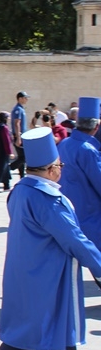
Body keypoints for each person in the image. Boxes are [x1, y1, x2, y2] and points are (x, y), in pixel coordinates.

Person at [0, 127, 101, 350]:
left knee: (60, 326)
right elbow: (73, 239)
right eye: (60, 166)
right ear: (51, 169)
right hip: (47, 275)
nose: (61, 170)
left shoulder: (21, 190)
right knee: (29, 333)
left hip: (29, 270)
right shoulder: (48, 198)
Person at [57, 97, 101, 275]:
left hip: (68, 207)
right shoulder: (88, 149)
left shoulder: (64, 143)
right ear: (96, 126)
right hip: (90, 210)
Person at [9, 91, 28, 177]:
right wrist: (18, 138)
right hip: (19, 136)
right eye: (25, 98)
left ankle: (22, 175)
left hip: (21, 135)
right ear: (20, 98)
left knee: (21, 157)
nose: (26, 99)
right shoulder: (18, 109)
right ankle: (7, 169)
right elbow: (17, 123)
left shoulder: (21, 109)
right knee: (24, 157)